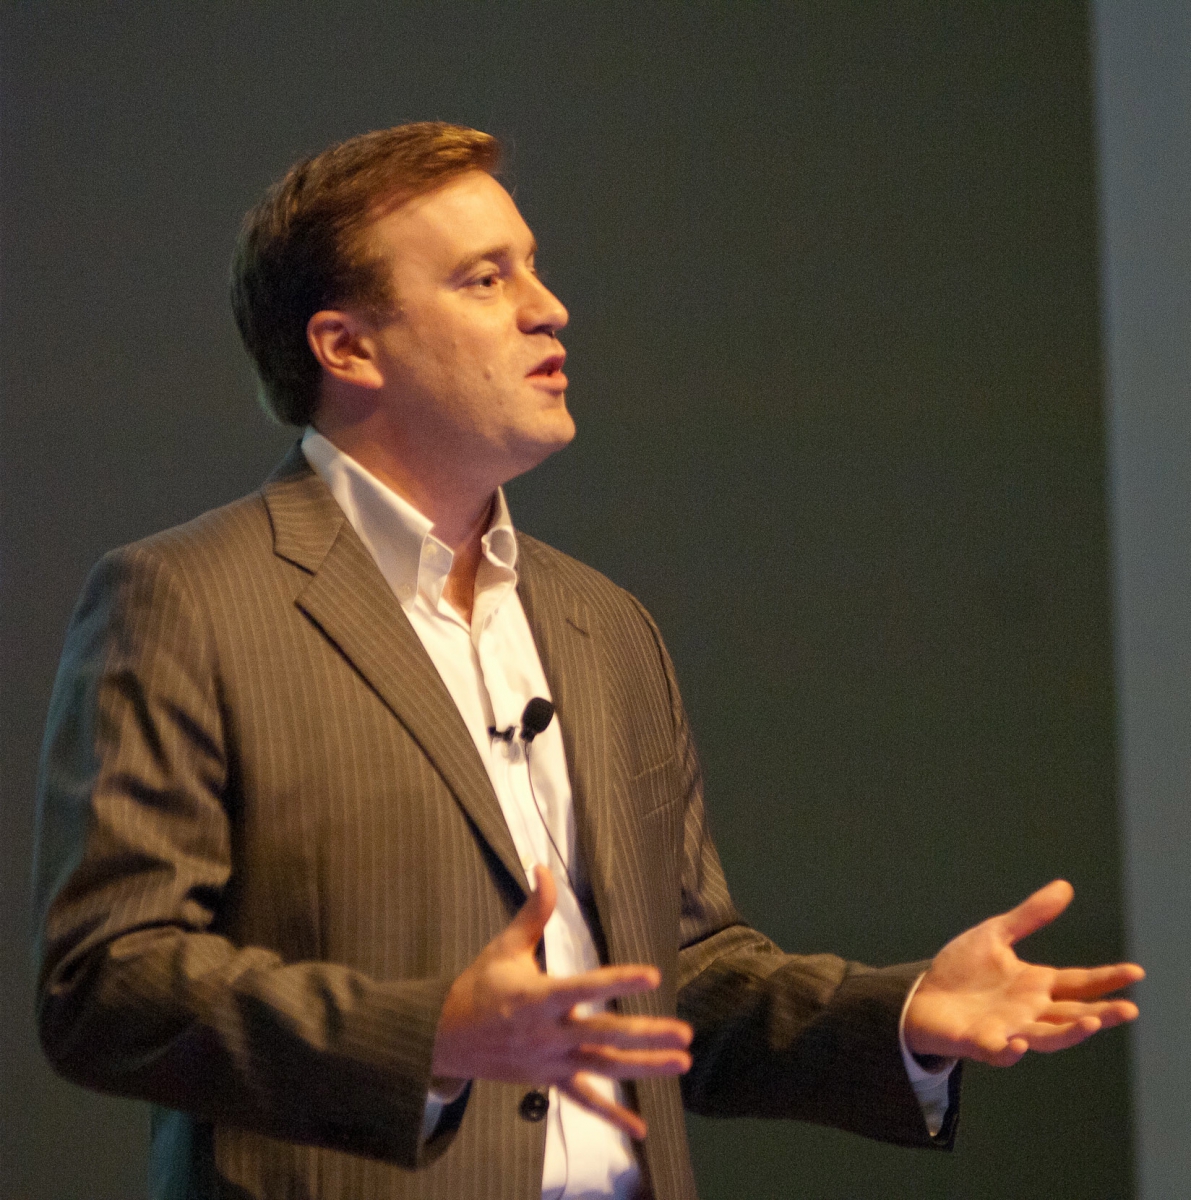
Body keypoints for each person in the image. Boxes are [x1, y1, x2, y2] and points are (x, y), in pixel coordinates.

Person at [33, 122, 1143, 1200]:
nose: (547, 305)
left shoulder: (602, 624)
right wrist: (430, 1036)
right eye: (484, 278)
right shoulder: (186, 600)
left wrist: (899, 1018)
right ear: (347, 347)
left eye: (533, 266)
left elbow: (682, 978)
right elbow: (104, 982)